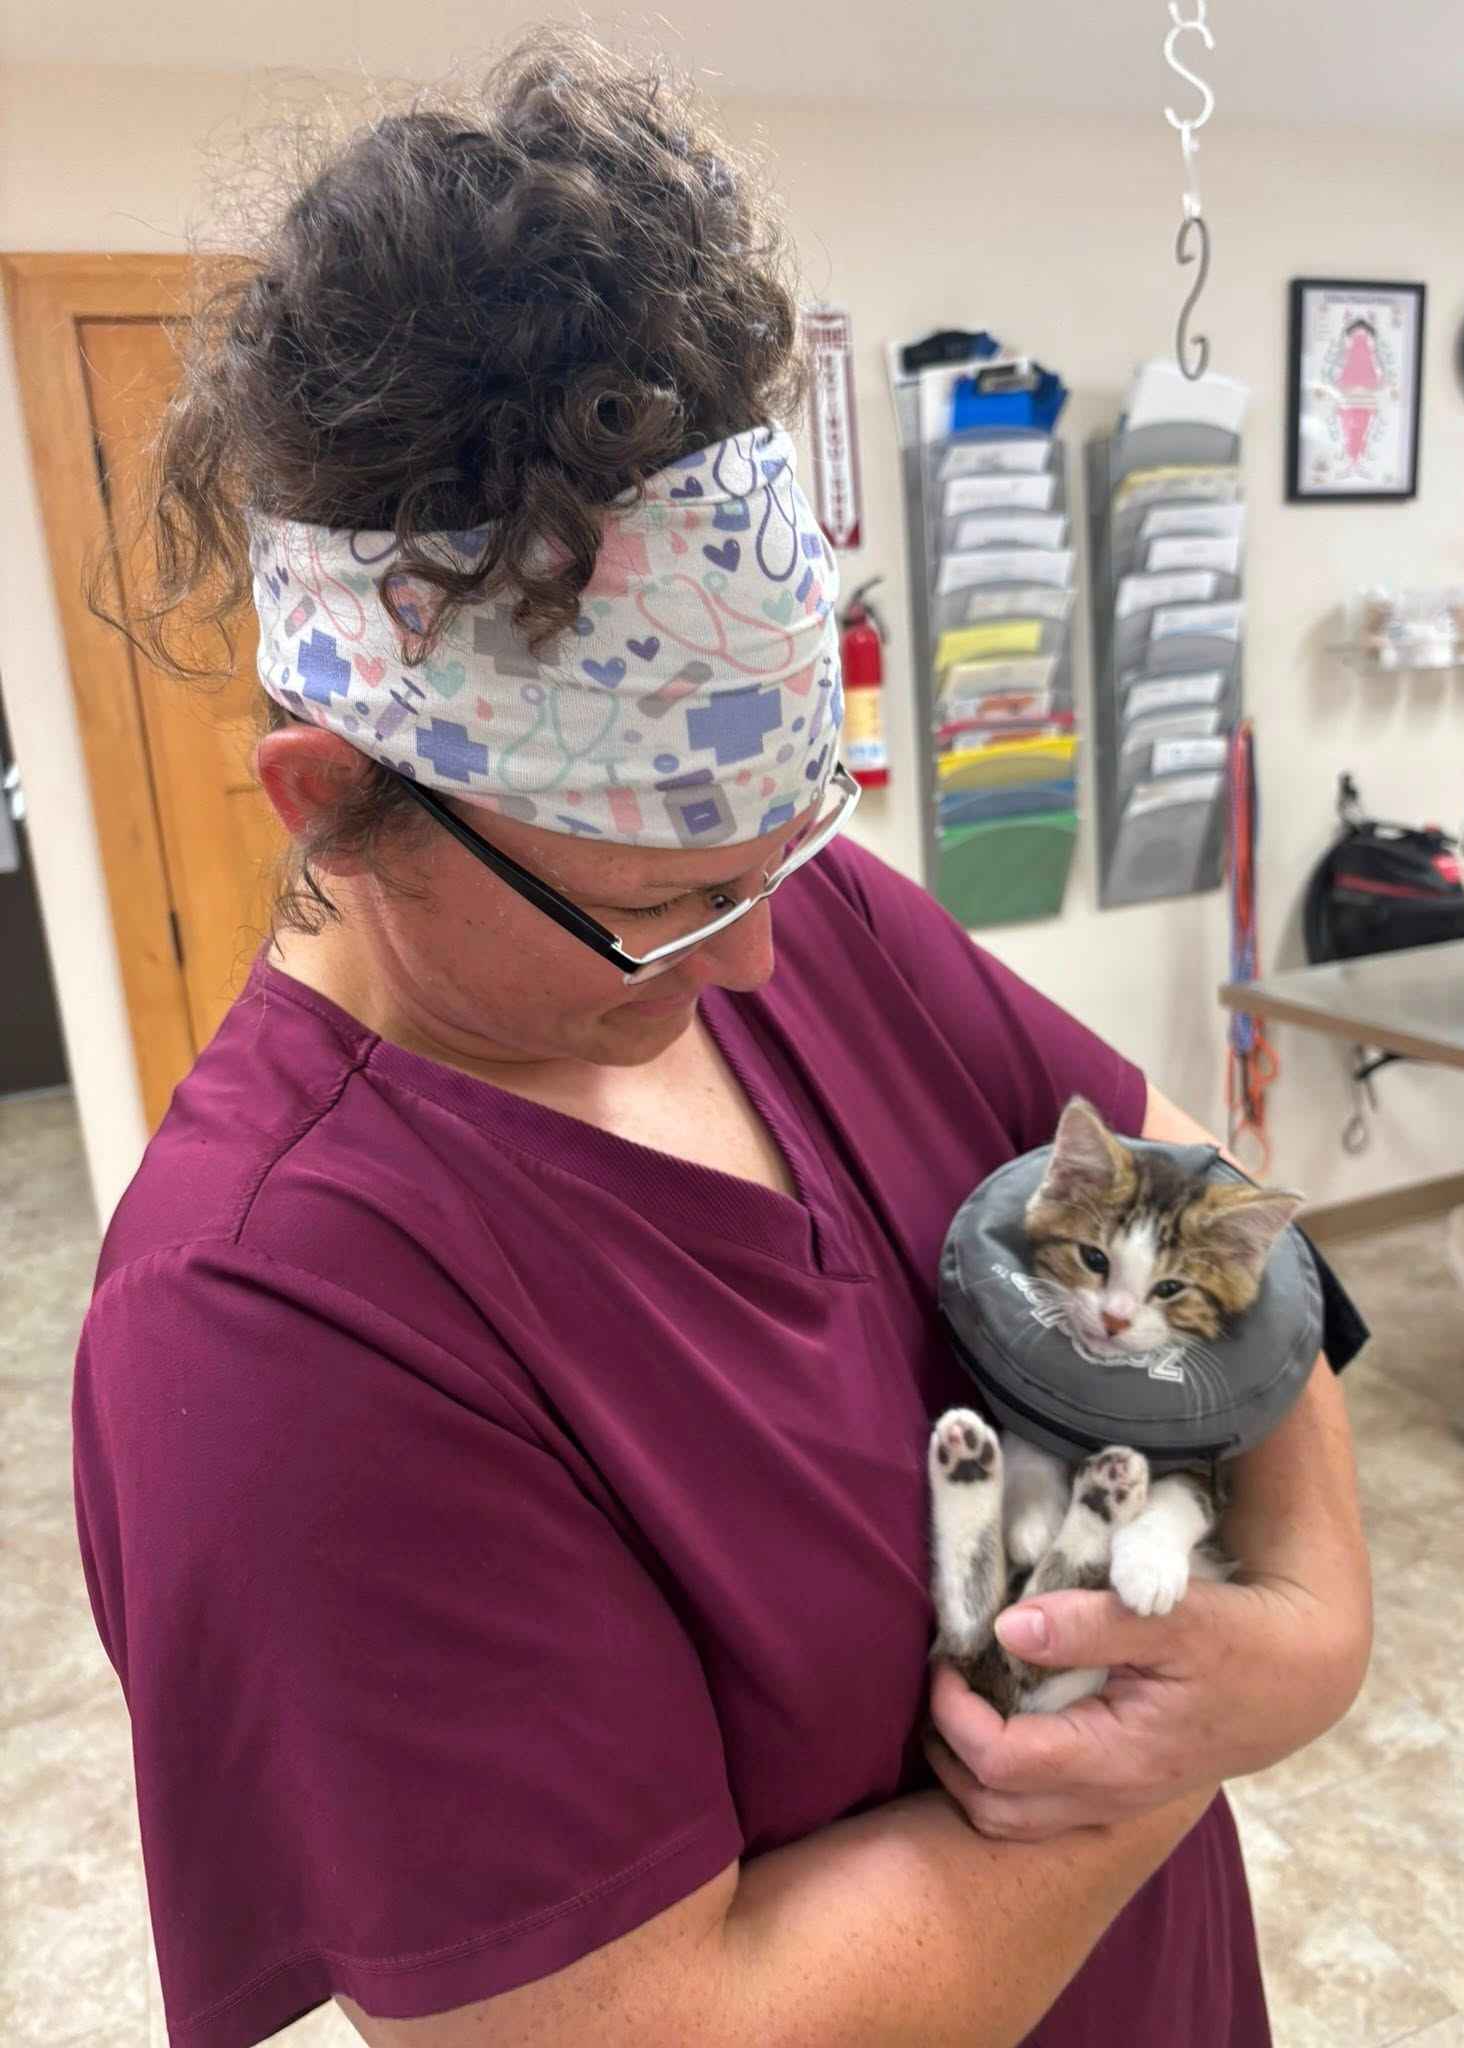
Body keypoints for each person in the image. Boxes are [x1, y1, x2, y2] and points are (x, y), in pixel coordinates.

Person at [74, 32, 1371, 2048]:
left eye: (784, 853)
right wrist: (1162, 1756)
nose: (770, 966)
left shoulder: (791, 914)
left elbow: (1201, 1186)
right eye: (666, 905)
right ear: (329, 802)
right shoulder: (275, 1330)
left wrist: (1310, 1616)